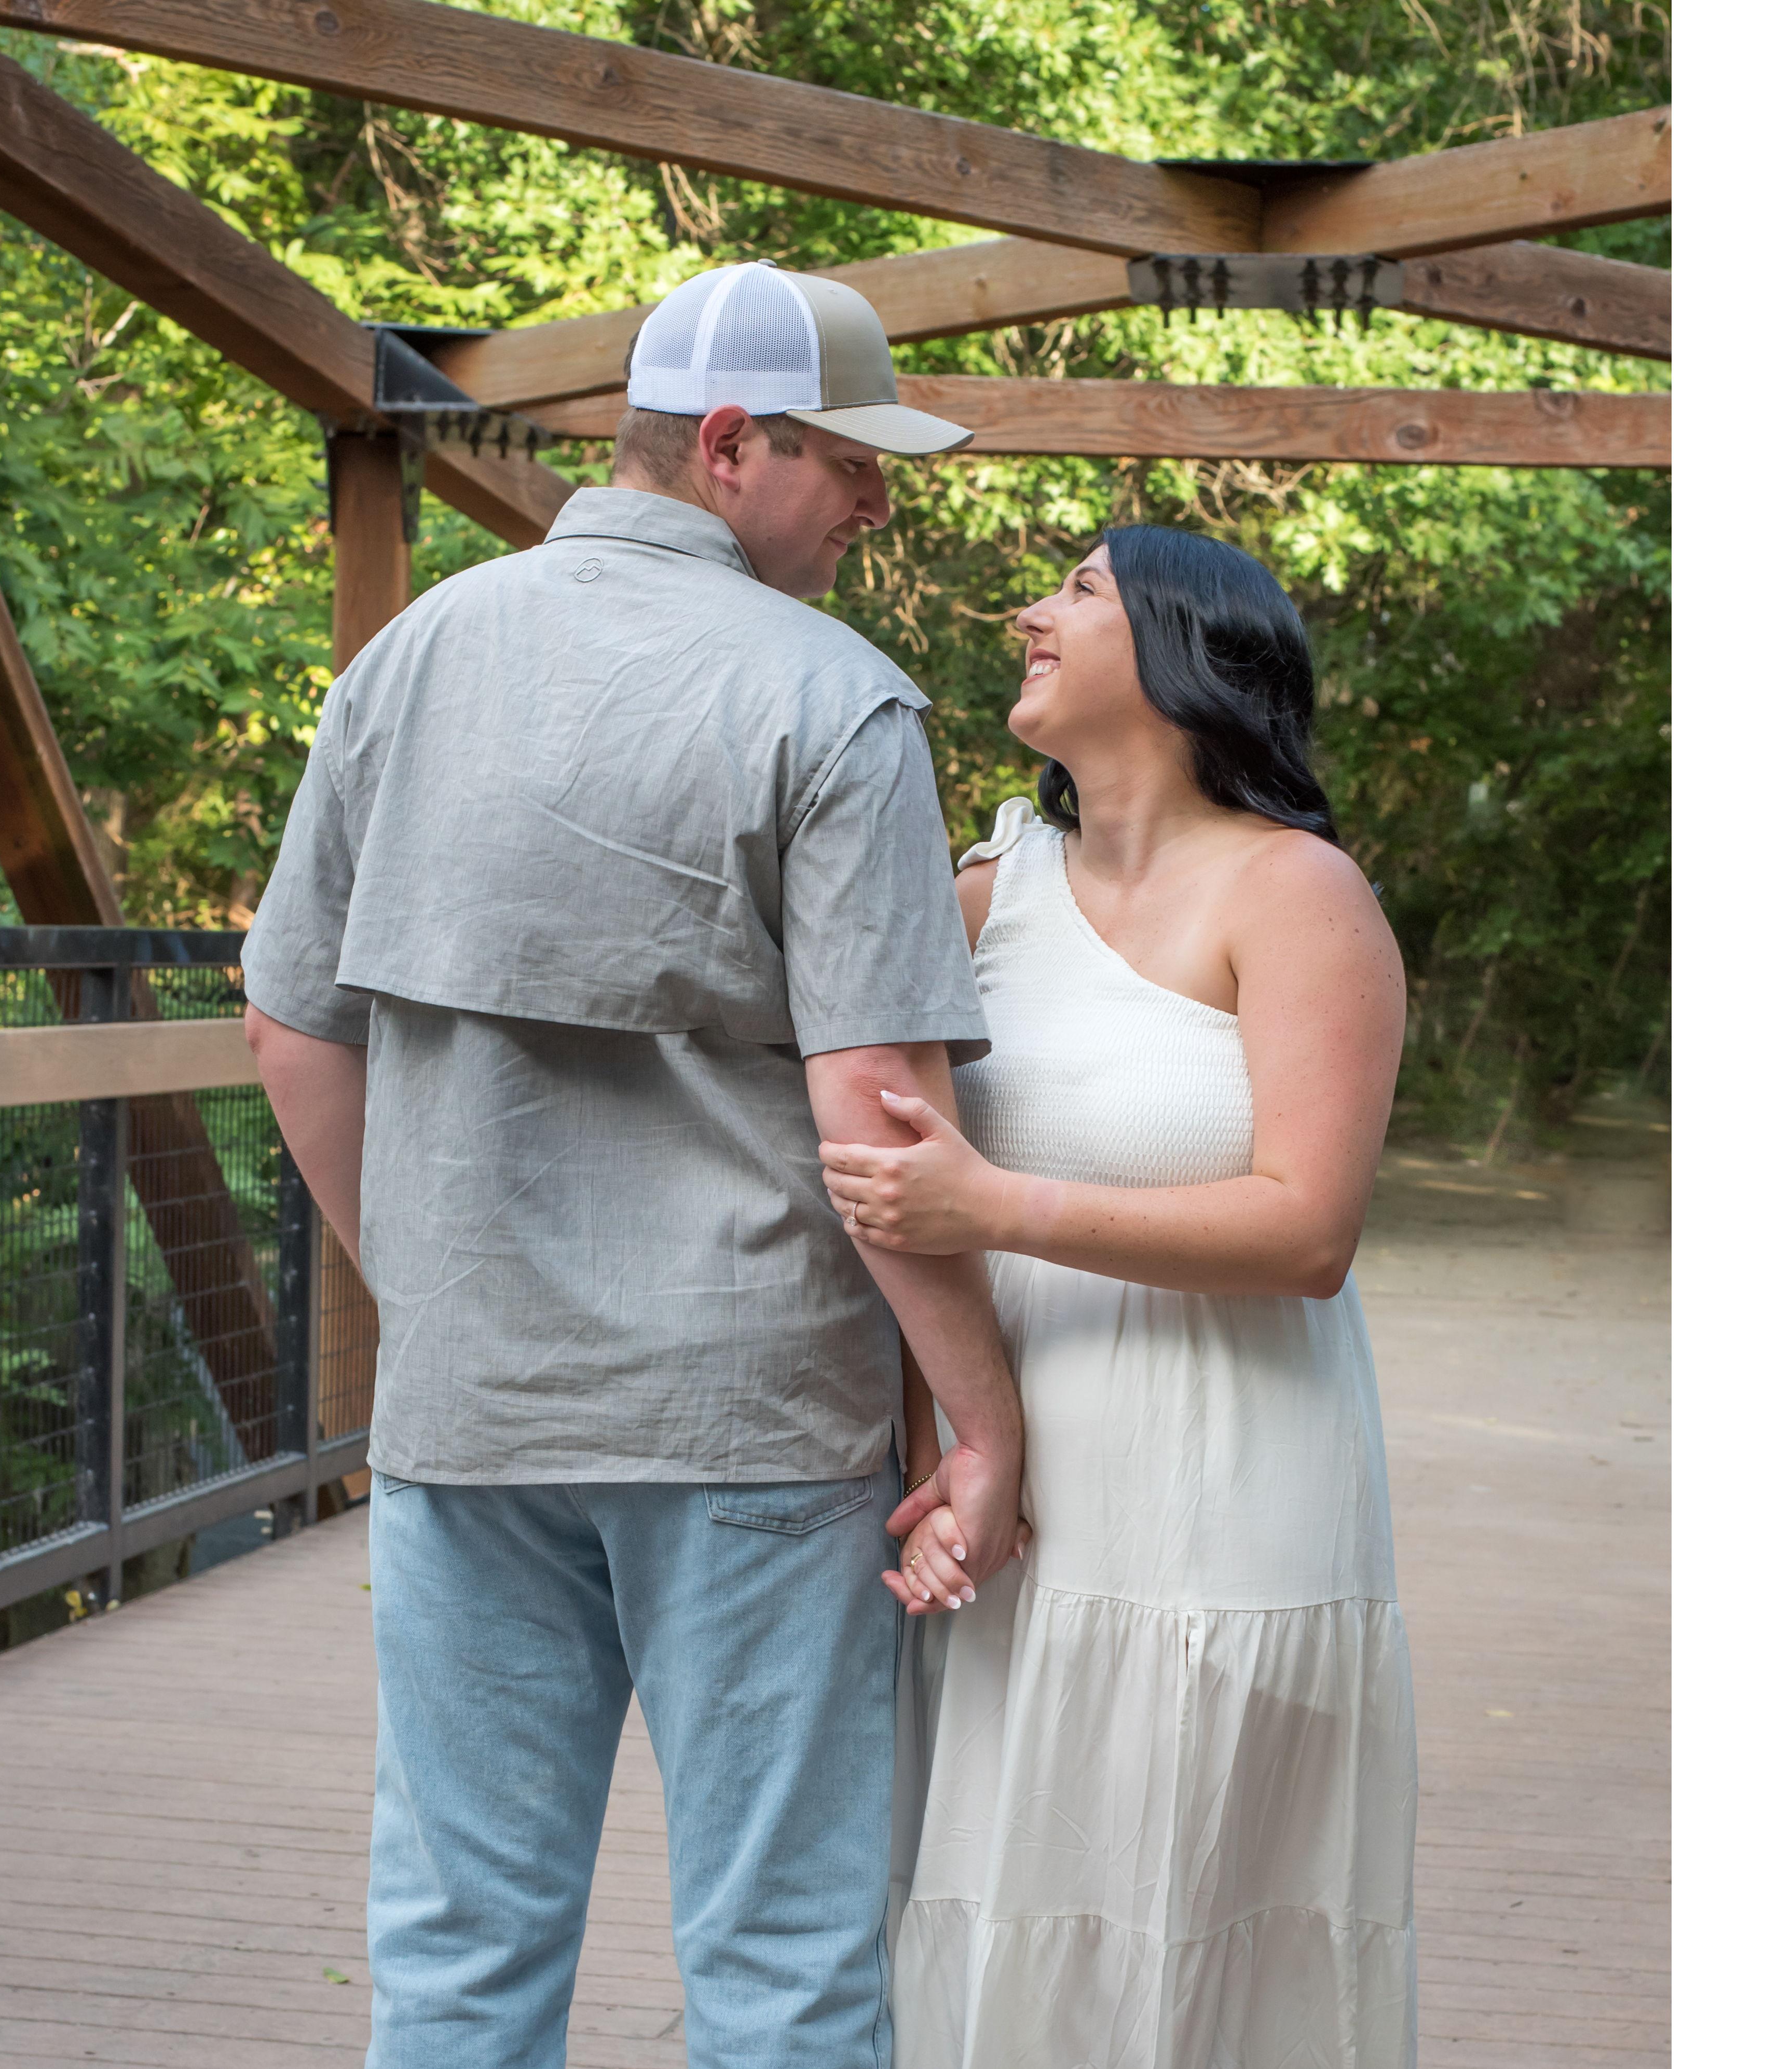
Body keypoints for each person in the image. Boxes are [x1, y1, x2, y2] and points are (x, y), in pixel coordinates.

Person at [240, 259, 1024, 2068]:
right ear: (732, 444)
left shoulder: (410, 658)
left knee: (457, 1943)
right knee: (782, 1956)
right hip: (748, 1419)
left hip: (472, 1411)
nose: (878, 503)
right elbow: (879, 1107)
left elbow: (288, 1029)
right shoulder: (835, 701)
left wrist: (426, 1291)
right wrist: (982, 1424)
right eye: (852, 462)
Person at [821, 526, 1419, 2066]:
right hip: (1011, 1489)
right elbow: (897, 1209)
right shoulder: (983, 892)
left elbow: (1308, 1228)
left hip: (1225, 1484)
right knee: (994, 1898)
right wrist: (940, 1455)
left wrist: (1000, 1203)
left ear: (1185, 648)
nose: (1031, 609)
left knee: (1196, 1916)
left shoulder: (1298, 893)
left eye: (1081, 588)